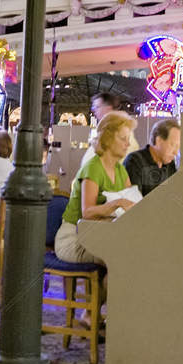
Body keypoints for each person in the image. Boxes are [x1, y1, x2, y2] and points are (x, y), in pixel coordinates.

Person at [55, 111, 139, 265]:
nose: (127, 144)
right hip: (75, 238)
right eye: (123, 139)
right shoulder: (93, 167)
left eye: (128, 139)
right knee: (122, 260)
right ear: (107, 138)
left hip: (99, 235)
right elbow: (87, 213)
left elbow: (131, 206)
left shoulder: (120, 170)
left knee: (137, 255)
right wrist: (118, 202)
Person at [125, 118, 181, 196]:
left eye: (178, 147)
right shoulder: (135, 161)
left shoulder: (170, 164)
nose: (175, 152)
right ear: (158, 141)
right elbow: (134, 202)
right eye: (172, 145)